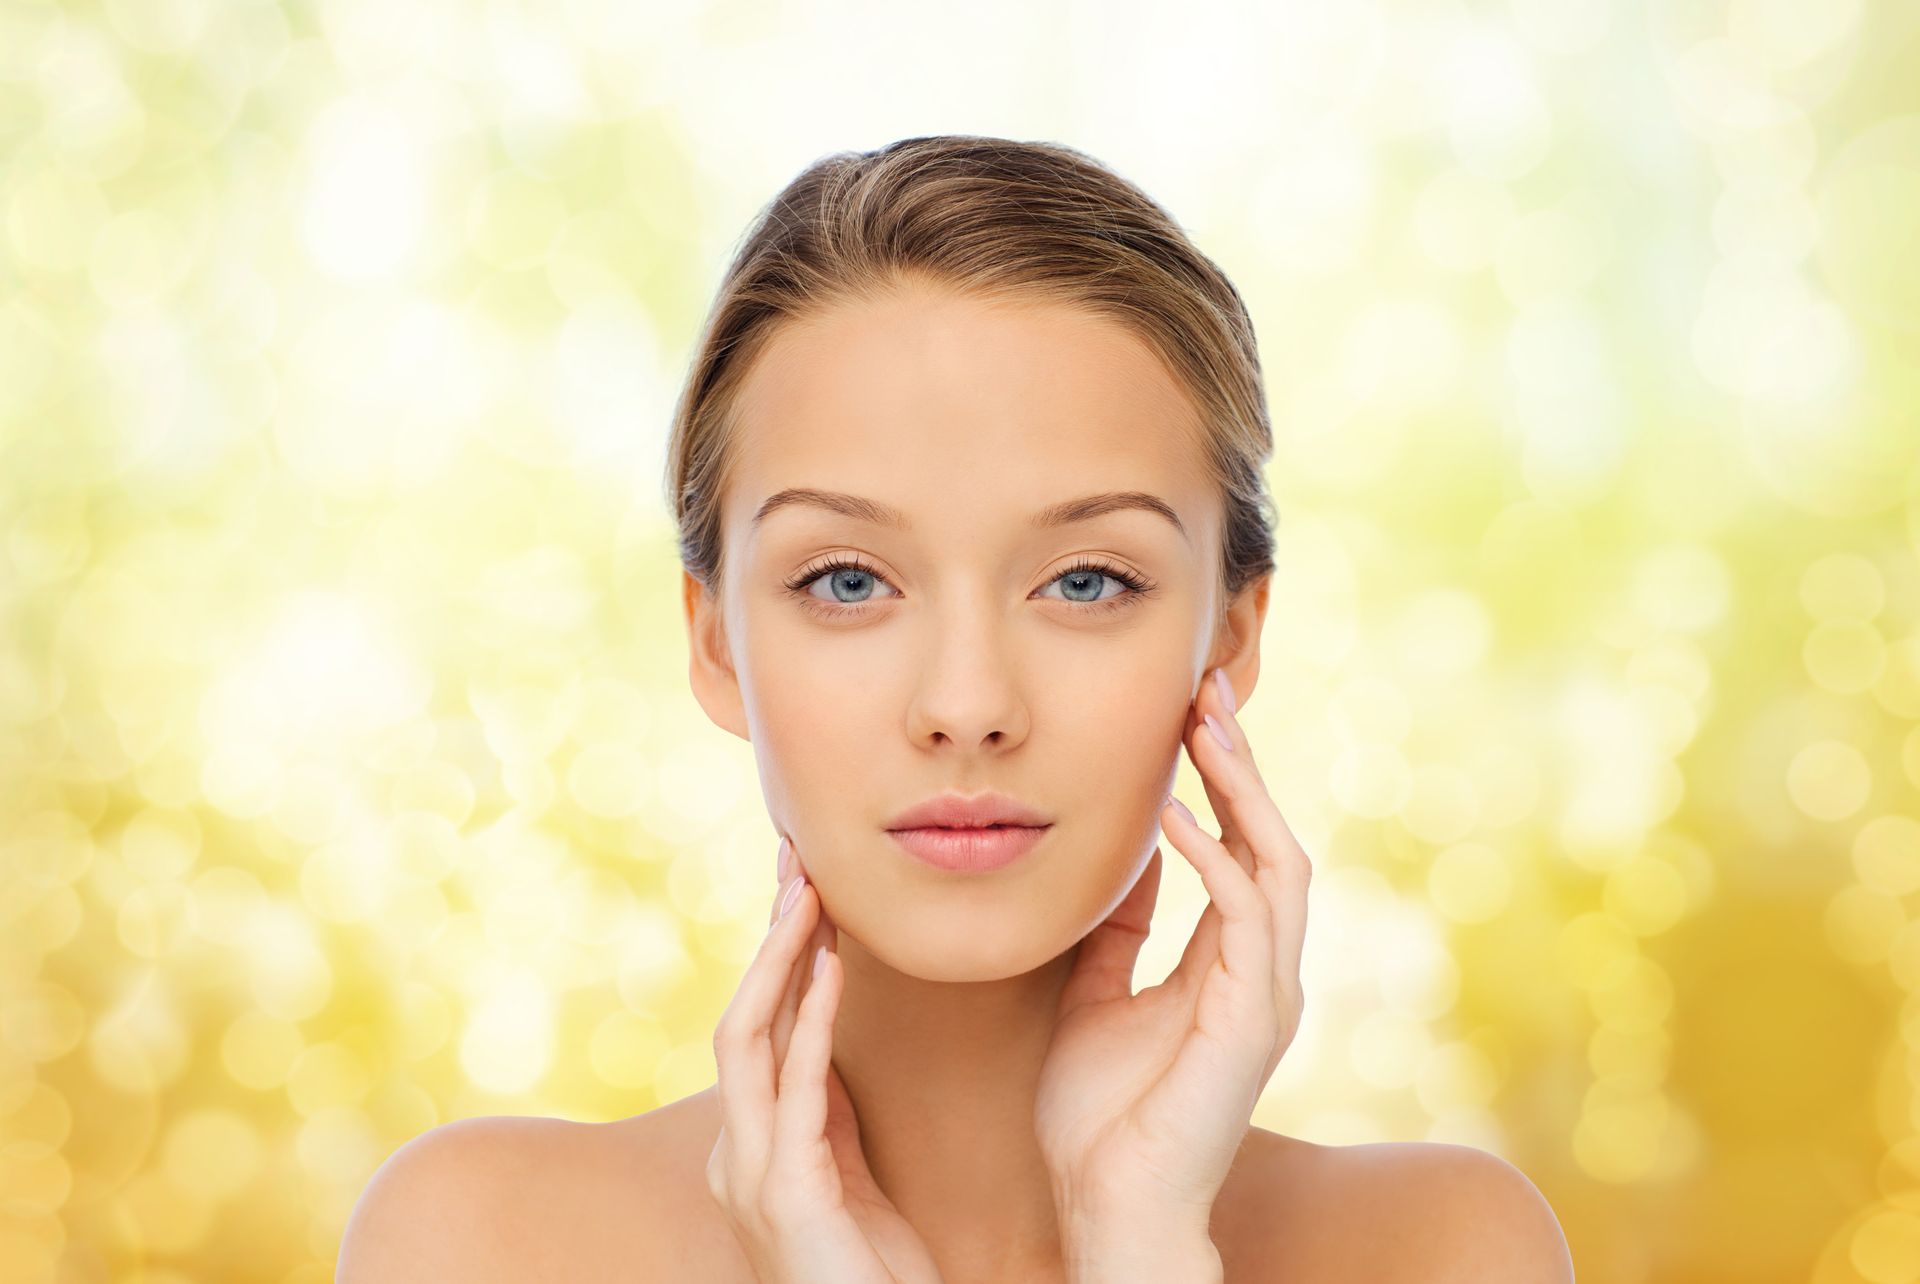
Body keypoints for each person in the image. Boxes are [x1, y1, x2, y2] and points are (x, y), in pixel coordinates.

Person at [338, 134, 1575, 1283]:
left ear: (1232, 634)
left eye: (1087, 581)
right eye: (848, 581)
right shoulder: (486, 1240)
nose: (967, 707)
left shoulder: (1441, 1249)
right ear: (715, 644)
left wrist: (1137, 1242)